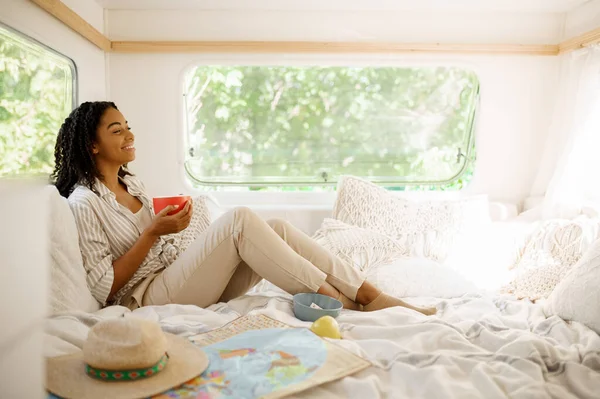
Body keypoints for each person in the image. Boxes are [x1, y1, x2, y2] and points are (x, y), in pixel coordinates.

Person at [51, 101, 436, 315]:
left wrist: (171, 227)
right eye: (116, 130)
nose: (129, 134)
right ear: (92, 145)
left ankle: (368, 293)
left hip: (179, 277)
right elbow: (103, 288)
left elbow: (159, 242)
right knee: (239, 220)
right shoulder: (84, 202)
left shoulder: (130, 182)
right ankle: (345, 303)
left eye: (128, 125)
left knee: (278, 227)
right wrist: (153, 232)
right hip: (147, 296)